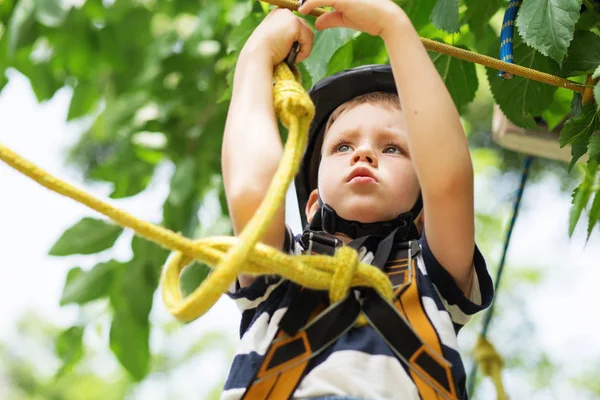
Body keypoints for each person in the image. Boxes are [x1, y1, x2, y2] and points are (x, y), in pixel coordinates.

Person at [220, 1, 494, 399]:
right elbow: (251, 190)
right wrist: (256, 57)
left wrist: (393, 25)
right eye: (343, 145)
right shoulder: (282, 273)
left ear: (423, 215)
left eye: (394, 149)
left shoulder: (433, 276)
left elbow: (449, 181)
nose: (363, 154)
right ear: (312, 205)